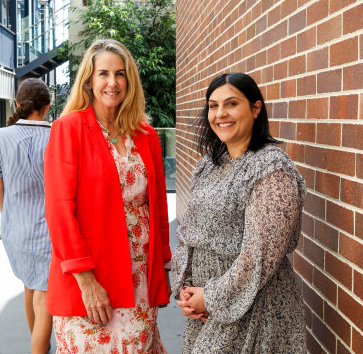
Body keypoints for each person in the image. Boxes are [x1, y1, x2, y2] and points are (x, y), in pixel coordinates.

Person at [43, 38, 171, 353]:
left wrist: (163, 268)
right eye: (103, 74)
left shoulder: (146, 135)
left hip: (139, 276)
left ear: (130, 80)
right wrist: (87, 282)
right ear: (89, 80)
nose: (112, 82)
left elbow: (158, 210)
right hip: (89, 276)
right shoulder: (68, 129)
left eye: (120, 74)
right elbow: (59, 210)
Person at [171, 73, 307, 353]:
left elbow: (260, 255)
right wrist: (185, 289)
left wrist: (211, 297)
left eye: (231, 104)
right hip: (203, 308)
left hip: (253, 308)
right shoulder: (208, 165)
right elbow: (187, 232)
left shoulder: (271, 167)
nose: (221, 114)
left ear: (255, 108)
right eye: (213, 106)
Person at [0, 78, 53, 353]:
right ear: (47, 107)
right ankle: (40, 349)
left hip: (16, 227)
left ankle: (39, 345)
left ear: (17, 104)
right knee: (44, 293)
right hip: (49, 229)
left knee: (28, 285)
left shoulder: (2, 136)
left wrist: (8, 214)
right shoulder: (56, 134)